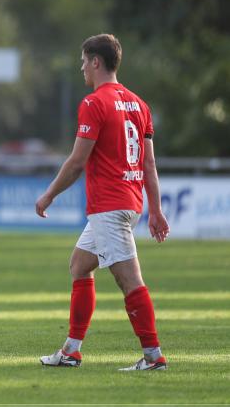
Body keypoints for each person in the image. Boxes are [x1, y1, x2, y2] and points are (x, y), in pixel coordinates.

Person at [35, 33, 170, 371]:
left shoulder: (94, 103)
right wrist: (155, 209)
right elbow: (149, 164)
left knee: (130, 281)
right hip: (129, 202)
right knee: (80, 265)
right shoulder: (140, 104)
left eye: (83, 61)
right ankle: (71, 351)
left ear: (96, 61)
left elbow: (77, 161)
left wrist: (49, 194)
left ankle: (154, 356)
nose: (82, 68)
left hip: (109, 207)